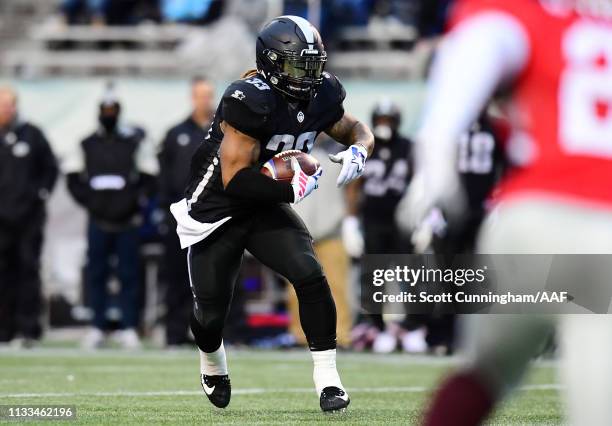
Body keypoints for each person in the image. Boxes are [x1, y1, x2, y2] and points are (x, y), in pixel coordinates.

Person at [402, 0, 612, 425]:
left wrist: (436, 149)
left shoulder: (526, 12)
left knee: (484, 372)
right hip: (604, 238)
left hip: (534, 219)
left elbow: (479, 47)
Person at [170, 15, 374, 412]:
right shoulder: (250, 99)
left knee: (310, 275)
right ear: (272, 63)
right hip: (219, 207)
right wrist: (290, 187)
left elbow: (355, 128)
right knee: (211, 315)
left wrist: (360, 148)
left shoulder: (322, 94)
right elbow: (234, 180)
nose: (309, 76)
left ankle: (329, 381)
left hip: (266, 202)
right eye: (299, 65)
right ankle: (212, 362)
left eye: (314, 66)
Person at [65, 91, 158, 350]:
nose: (109, 116)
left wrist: (133, 201)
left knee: (129, 274)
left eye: (112, 111)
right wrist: (92, 202)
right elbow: (72, 178)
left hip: (127, 221)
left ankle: (129, 326)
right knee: (96, 274)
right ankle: (97, 326)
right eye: (105, 112)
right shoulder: (86, 144)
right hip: (98, 220)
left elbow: (149, 176)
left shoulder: (132, 143)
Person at [158, 76, 215, 347]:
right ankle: (175, 332)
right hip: (181, 217)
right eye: (200, 95)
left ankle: (219, 332)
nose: (205, 100)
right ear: (193, 98)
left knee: (217, 276)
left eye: (209, 95)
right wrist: (166, 211)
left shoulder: (223, 131)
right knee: (177, 277)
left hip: (215, 215)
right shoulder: (175, 133)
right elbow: (164, 176)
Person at [0, 86, 58, 347]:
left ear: (15, 107)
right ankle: (4, 329)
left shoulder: (32, 135)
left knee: (27, 271)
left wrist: (40, 194)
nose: (4, 111)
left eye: (7, 105)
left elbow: (50, 167)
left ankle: (27, 330)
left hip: (28, 219)